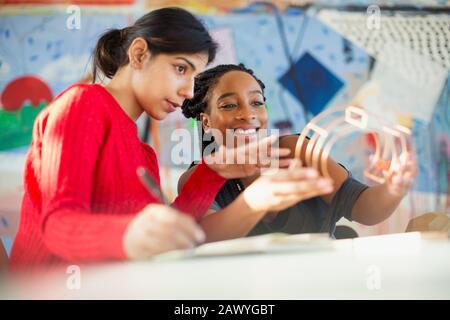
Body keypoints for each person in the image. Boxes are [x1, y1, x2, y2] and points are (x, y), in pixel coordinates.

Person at [9, 8, 287, 270]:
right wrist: (128, 235)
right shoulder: (81, 104)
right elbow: (58, 226)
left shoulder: (144, 154)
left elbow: (168, 231)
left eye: (195, 77)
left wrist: (214, 171)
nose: (189, 92)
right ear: (139, 54)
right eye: (181, 69)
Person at [179, 64, 417, 242]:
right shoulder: (196, 179)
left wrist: (393, 188)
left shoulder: (296, 151)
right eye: (230, 105)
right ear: (206, 122)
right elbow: (206, 239)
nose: (248, 114)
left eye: (257, 103)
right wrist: (258, 201)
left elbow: (366, 210)